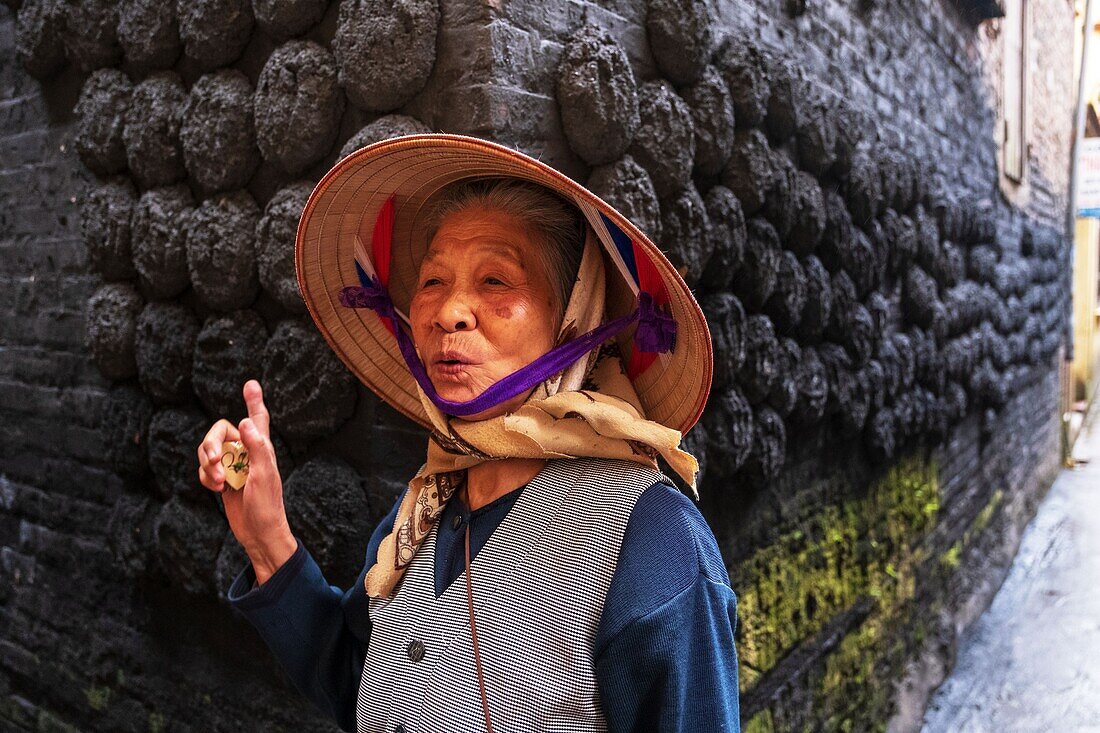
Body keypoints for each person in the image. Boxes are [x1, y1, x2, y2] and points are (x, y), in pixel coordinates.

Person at [196, 134, 741, 732]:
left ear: (573, 321)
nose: (449, 311)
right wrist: (267, 538)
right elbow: (360, 690)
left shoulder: (651, 540)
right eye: (432, 282)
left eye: (496, 281)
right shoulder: (420, 518)